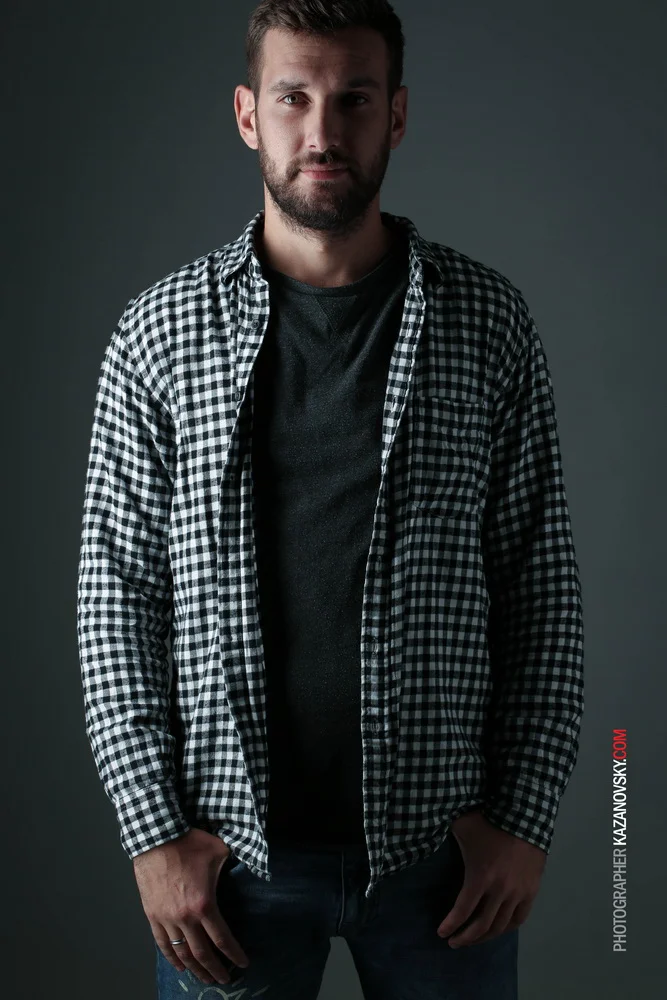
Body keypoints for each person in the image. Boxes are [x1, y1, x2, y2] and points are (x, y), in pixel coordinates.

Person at [76, 1, 584, 998]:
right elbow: (115, 600)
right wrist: (154, 837)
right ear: (245, 114)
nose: (322, 129)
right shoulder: (157, 336)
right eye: (293, 96)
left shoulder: (487, 323)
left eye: (352, 98)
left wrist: (524, 821)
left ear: (394, 115)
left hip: (442, 862)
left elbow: (542, 585)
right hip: (230, 867)